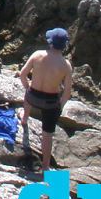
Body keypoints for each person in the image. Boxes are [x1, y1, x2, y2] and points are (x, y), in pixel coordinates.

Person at [18, 28, 74, 172]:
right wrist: (60, 107)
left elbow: (22, 74)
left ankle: (25, 118)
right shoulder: (66, 65)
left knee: (27, 97)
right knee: (47, 136)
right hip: (50, 103)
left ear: (50, 43)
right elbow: (67, 92)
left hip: (32, 97)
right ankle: (45, 166)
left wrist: (28, 88)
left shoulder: (37, 55)